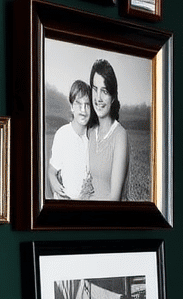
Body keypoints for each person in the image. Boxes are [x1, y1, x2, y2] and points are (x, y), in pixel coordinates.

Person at [87, 59, 129, 200]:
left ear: (113, 97)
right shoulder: (91, 132)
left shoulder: (120, 135)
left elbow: (114, 198)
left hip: (109, 219)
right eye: (95, 89)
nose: (98, 98)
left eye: (104, 91)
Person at [49, 79, 94, 200]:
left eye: (87, 104)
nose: (83, 110)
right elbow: (52, 170)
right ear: (72, 107)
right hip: (67, 204)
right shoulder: (62, 134)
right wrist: (54, 184)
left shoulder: (94, 136)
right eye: (79, 104)